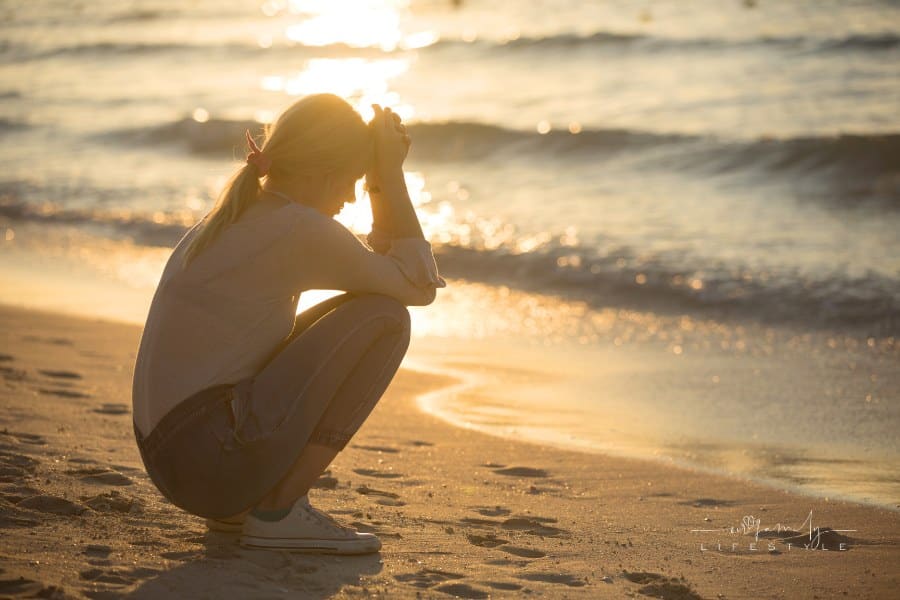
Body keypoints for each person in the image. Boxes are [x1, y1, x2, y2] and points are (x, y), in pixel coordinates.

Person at [130, 93, 445, 554]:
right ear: (322, 173)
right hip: (208, 462)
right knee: (385, 319)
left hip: (178, 460)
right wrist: (388, 178)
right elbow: (417, 289)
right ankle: (278, 510)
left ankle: (251, 508)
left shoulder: (235, 216)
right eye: (354, 181)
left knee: (368, 306)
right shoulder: (297, 229)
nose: (351, 197)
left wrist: (378, 178)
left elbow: (381, 273)